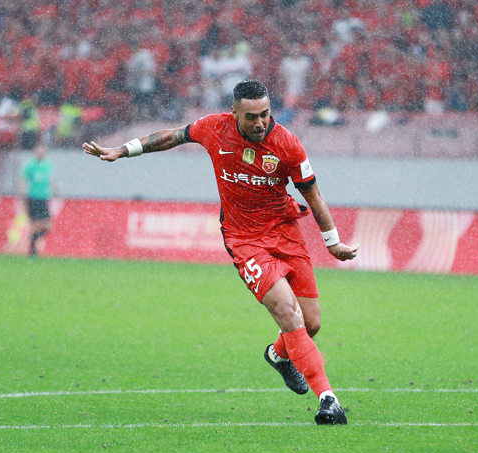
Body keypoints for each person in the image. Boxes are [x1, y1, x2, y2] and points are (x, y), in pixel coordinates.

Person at [83, 79, 358, 425]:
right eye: (251, 117)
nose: (260, 123)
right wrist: (123, 150)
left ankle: (278, 355)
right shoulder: (214, 128)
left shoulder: (288, 143)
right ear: (234, 113)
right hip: (245, 240)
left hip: (286, 234)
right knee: (289, 314)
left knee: (311, 323)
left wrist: (332, 242)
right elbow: (171, 136)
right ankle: (328, 400)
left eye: (265, 114)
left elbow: (312, 194)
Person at [19, 143, 54, 257]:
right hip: (33, 197)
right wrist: (22, 194)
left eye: (43, 150)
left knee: (47, 226)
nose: (41, 152)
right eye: (39, 150)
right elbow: (22, 180)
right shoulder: (30, 165)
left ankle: (32, 241)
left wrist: (57, 192)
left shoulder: (48, 165)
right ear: (35, 151)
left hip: (44, 198)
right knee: (34, 225)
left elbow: (50, 181)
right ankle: (33, 251)